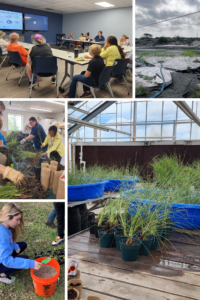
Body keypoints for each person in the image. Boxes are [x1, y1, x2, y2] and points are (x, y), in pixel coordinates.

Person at [0, 203, 41, 284]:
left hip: (2, 254)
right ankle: (2, 275)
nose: (19, 222)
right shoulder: (2, 234)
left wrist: (14, 245)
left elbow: (9, 241)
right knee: (25, 259)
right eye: (17, 219)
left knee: (22, 244)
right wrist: (30, 263)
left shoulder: (5, 227)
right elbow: (6, 260)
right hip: (3, 260)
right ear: (8, 216)